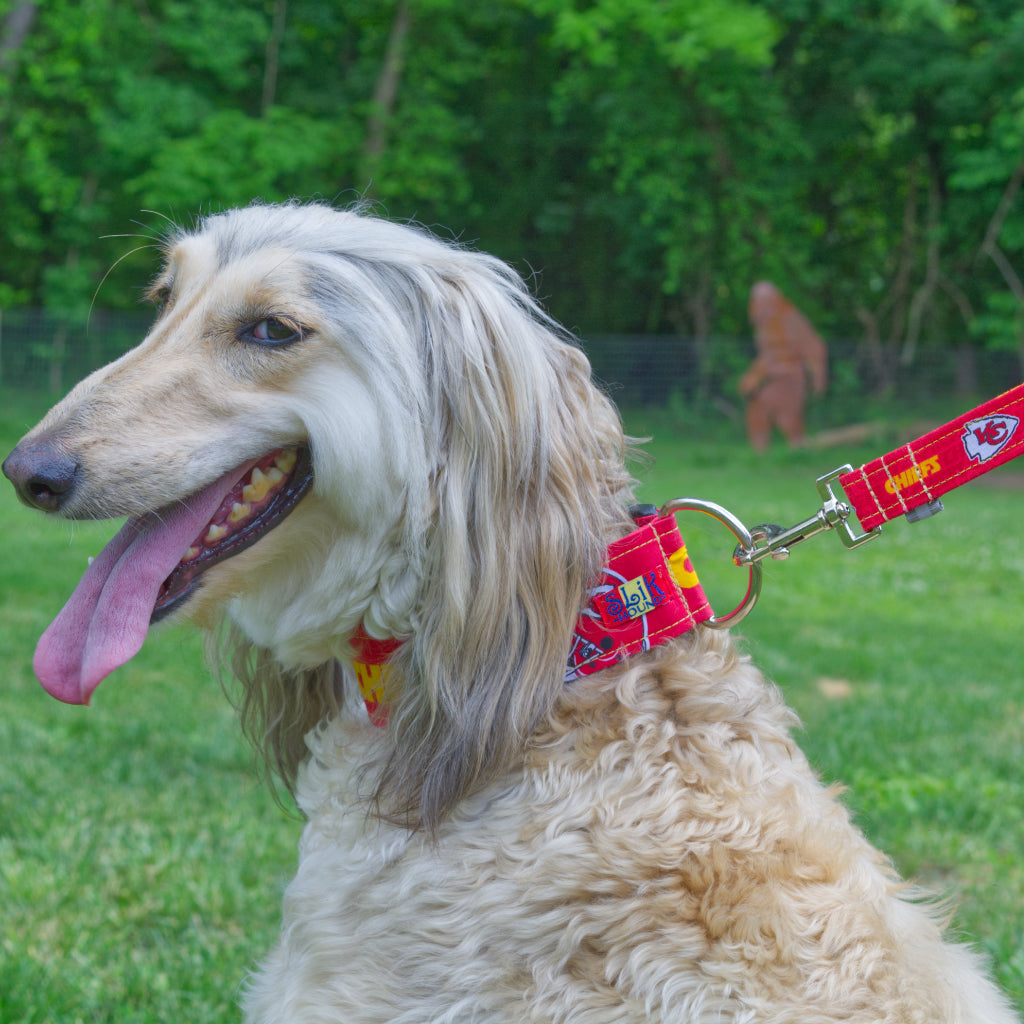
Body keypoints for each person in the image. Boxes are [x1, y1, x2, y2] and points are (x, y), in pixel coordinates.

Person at [739, 281, 827, 451]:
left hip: (790, 379)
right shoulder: (764, 325)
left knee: (786, 418)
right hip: (774, 379)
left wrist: (818, 378)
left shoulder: (790, 319)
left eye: (761, 302)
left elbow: (815, 347)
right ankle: (760, 456)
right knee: (757, 411)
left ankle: (797, 451)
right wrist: (753, 377)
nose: (757, 306)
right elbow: (768, 357)